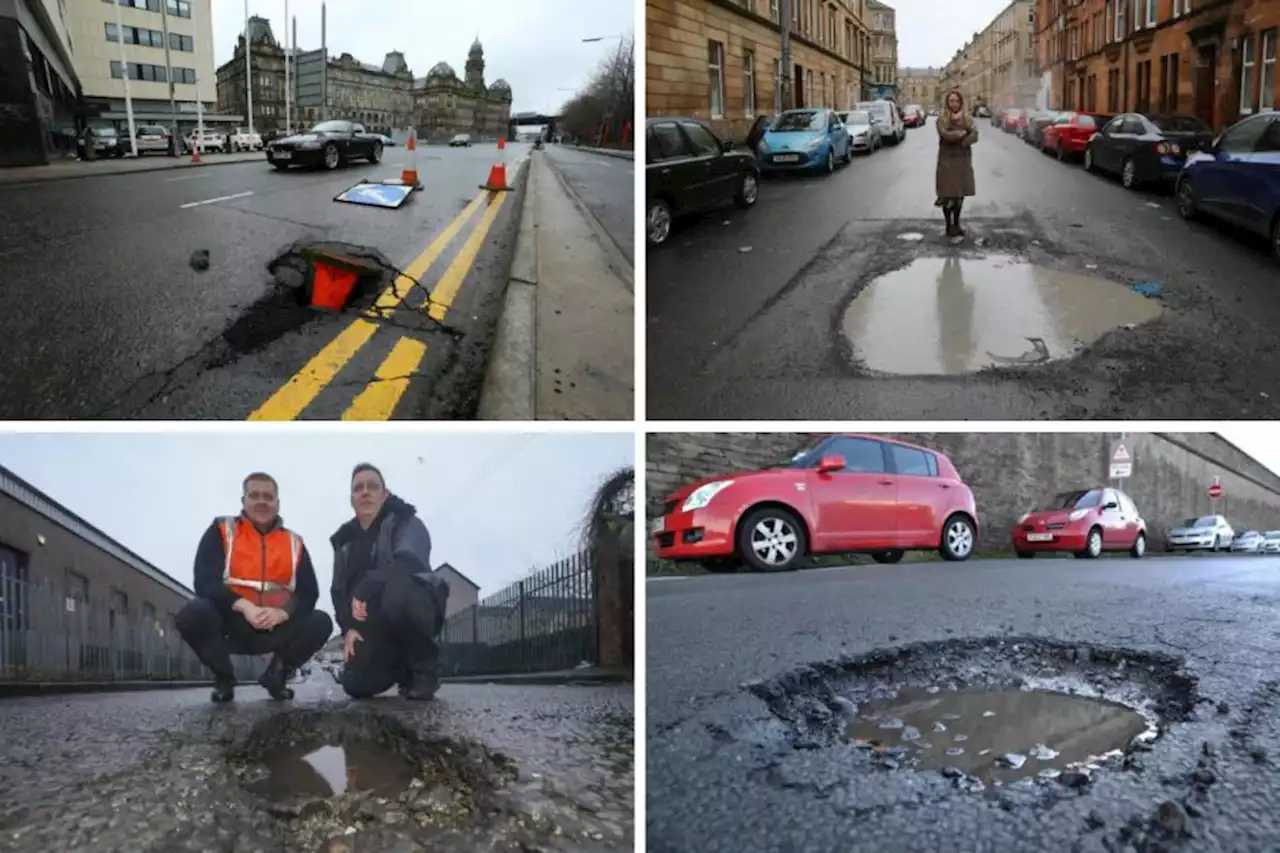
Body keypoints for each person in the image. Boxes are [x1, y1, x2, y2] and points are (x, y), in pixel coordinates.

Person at [176, 472, 333, 703]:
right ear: (244, 501)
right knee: (192, 614)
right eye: (254, 495)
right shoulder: (221, 530)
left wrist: (282, 613)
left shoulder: (294, 543)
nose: (262, 501)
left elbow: (309, 592)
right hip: (232, 624)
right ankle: (224, 677)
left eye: (268, 497)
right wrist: (244, 607)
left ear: (277, 503)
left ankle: (276, 675)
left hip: (276, 626)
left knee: (321, 621)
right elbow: (204, 581)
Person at [330, 463, 449, 701]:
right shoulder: (345, 542)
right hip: (374, 626)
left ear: (384, 494)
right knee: (355, 684)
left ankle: (424, 669)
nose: (365, 492)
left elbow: (409, 562)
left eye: (372, 486)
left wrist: (366, 586)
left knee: (399, 592)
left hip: (411, 606)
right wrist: (349, 627)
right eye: (358, 488)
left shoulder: (405, 520)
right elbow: (338, 592)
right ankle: (401, 669)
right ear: (352, 499)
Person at [936, 89, 979, 238]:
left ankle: (957, 224)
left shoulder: (968, 118)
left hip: (963, 161)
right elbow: (946, 135)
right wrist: (961, 133)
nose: (954, 104)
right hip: (946, 162)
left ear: (961, 103)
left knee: (959, 196)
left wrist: (964, 141)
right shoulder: (942, 119)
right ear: (947, 103)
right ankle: (948, 226)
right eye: (951, 101)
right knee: (948, 196)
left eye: (956, 101)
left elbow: (974, 135)